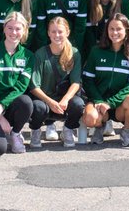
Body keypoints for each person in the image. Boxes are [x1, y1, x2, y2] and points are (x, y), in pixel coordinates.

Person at [81, 13, 129, 148]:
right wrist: (98, 100)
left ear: (127, 31)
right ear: (107, 30)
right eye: (111, 29)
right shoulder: (96, 51)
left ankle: (126, 131)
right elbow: (88, 80)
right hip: (99, 102)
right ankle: (100, 127)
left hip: (120, 106)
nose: (115, 32)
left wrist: (110, 103)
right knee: (89, 118)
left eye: (119, 29)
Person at [0, 11, 35, 156]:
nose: (13, 32)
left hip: (7, 106)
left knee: (26, 102)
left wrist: (2, 107)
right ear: (4, 28)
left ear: (24, 31)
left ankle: (15, 133)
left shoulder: (28, 56)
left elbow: (21, 87)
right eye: (9, 28)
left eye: (18, 29)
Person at [28, 16, 86, 147]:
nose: (57, 35)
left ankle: (68, 129)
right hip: (46, 101)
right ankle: (36, 130)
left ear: (67, 32)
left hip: (64, 102)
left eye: (60, 31)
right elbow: (34, 86)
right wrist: (50, 102)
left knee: (78, 104)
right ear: (48, 33)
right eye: (53, 31)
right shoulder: (40, 54)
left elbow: (76, 82)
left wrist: (65, 99)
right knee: (37, 107)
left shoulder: (74, 53)